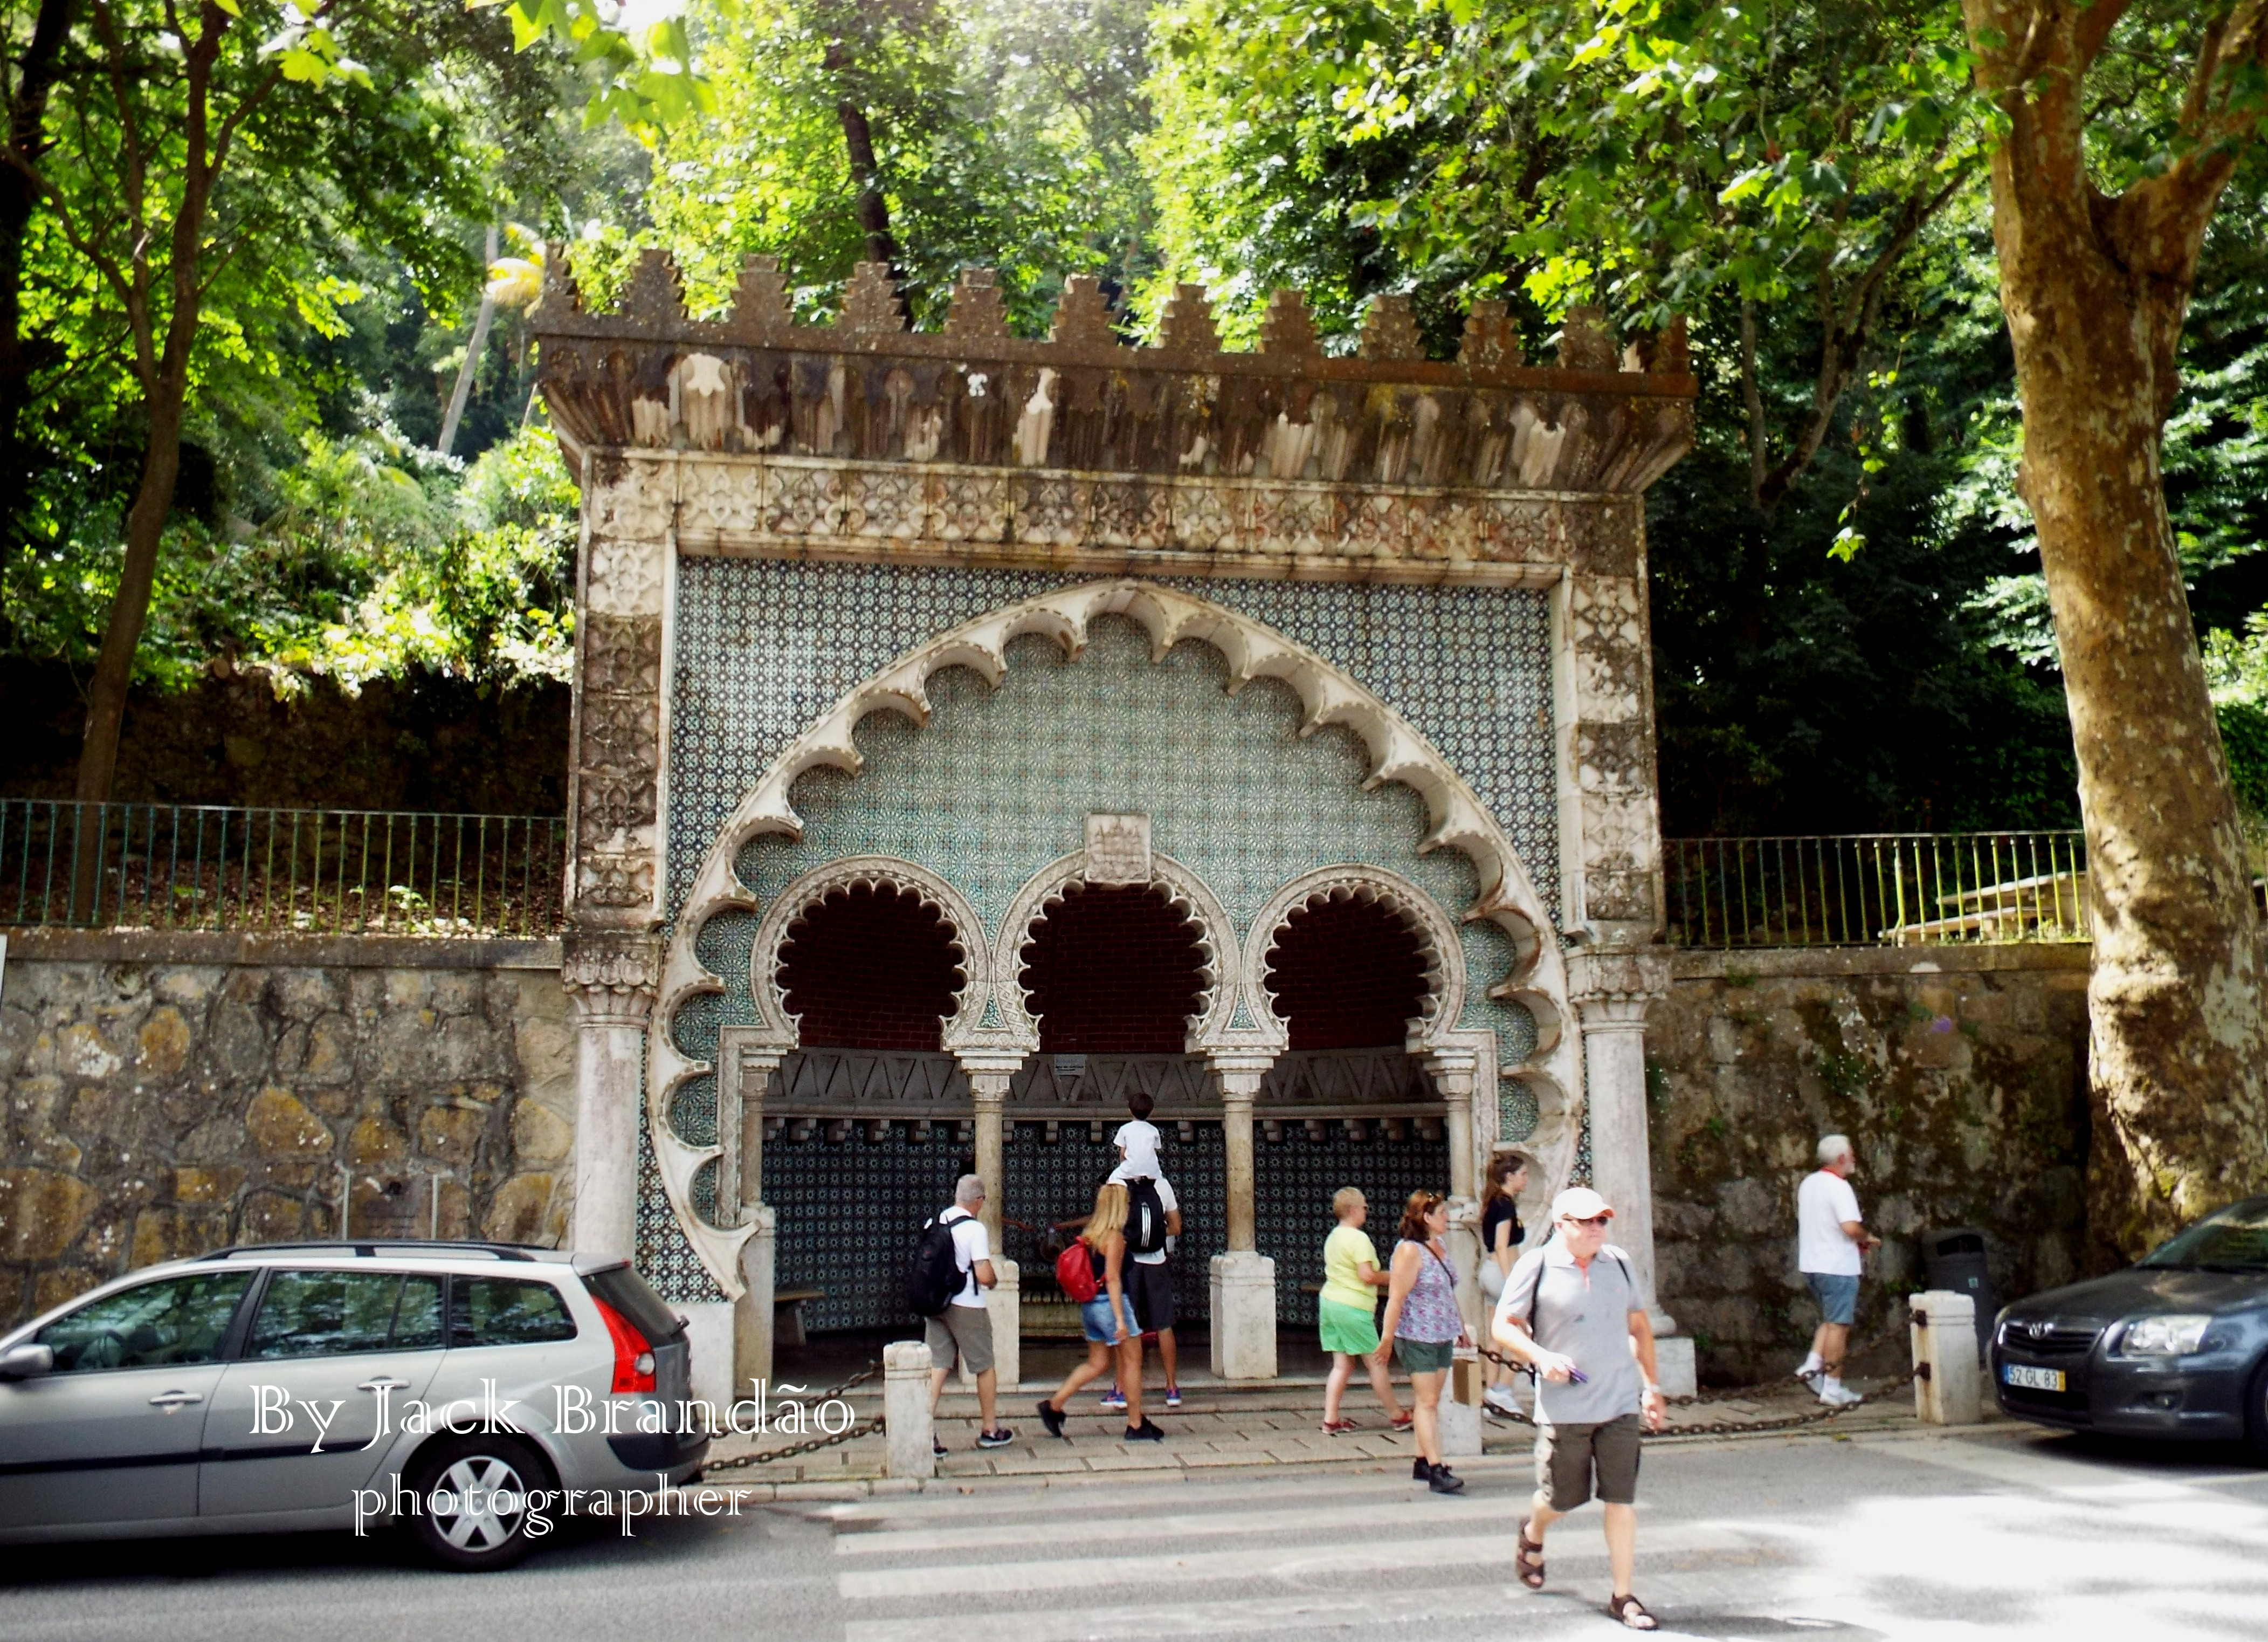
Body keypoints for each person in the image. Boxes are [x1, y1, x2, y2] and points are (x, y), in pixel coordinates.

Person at [1493, 1186, 1669, 1632]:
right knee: (1562, 1498)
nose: (1595, 1229)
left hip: (1619, 1402)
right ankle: (1533, 1530)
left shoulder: (1619, 1262)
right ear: (1560, 1224)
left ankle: (1623, 1595)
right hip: (1565, 1407)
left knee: (1620, 1499)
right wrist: (1541, 1357)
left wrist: (1652, 1386)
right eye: (1584, 1221)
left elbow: (1639, 1326)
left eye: (1601, 1221)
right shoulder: (1537, 1263)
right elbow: (1502, 1325)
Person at [1037, 1183, 1162, 1441]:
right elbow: (1114, 1280)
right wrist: (1121, 1321)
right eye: (1127, 1204)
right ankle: (1136, 1424)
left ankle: (1054, 1406)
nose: (1130, 1208)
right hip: (1111, 1305)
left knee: (1097, 1363)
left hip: (1091, 1305)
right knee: (1132, 1362)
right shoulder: (1115, 1239)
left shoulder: (1092, 1235)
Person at [1378, 1190, 1471, 1494]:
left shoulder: (1440, 1245)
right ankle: (1435, 1467)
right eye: (1442, 1213)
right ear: (1427, 1218)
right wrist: (1387, 1339)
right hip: (1417, 1334)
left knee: (1429, 1400)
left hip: (1442, 1332)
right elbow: (1396, 1297)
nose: (1447, 1217)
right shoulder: (1409, 1251)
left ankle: (1421, 1459)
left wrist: (1460, 1326)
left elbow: (1447, 1290)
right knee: (1428, 1402)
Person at [1105, 1092, 1184, 1410]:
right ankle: (1171, 1387)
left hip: (1127, 1265)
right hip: (1157, 1261)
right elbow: (1176, 1227)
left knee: (1125, 1324)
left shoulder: (1117, 1182)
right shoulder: (1161, 1185)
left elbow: (1109, 1226)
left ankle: (1121, 1388)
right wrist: (1154, 1234)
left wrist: (1131, 1235)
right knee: (1164, 1324)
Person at [925, 1174, 1014, 1451]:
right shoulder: (975, 1229)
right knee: (984, 1366)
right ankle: (989, 1429)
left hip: (936, 1303)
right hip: (967, 1305)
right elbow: (984, 1273)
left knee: (938, 1366)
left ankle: (921, 1428)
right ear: (979, 1201)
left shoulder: (934, 1222)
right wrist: (995, 1282)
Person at [1797, 1133, 1881, 1407]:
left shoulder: (1809, 1184)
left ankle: (1812, 1366)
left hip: (1812, 1264)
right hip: (1837, 1268)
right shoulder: (1839, 1187)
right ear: (1842, 1158)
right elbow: (1850, 1227)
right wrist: (1866, 1238)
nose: (1855, 1159)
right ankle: (1832, 1387)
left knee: (1830, 1319)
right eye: (1852, 1154)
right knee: (1839, 1327)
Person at [1318, 1187, 1410, 1435]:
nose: (1367, 1213)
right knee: (1377, 1362)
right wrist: (1397, 1277)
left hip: (1329, 1303)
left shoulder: (1334, 1236)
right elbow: (1367, 1276)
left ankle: (1331, 1419)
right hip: (1352, 1307)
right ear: (1353, 1210)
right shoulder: (1358, 1239)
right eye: (1365, 1208)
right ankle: (1397, 1415)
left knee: (1342, 1365)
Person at [1477, 1148, 1534, 1416]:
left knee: (1496, 1337)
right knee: (1523, 1340)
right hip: (1502, 1273)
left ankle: (1492, 1394)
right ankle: (1502, 1390)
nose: (1526, 1179)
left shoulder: (1494, 1203)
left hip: (1489, 1271)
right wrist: (1512, 1280)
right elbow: (1502, 1246)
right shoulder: (1505, 1205)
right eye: (1522, 1174)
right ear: (1509, 1177)